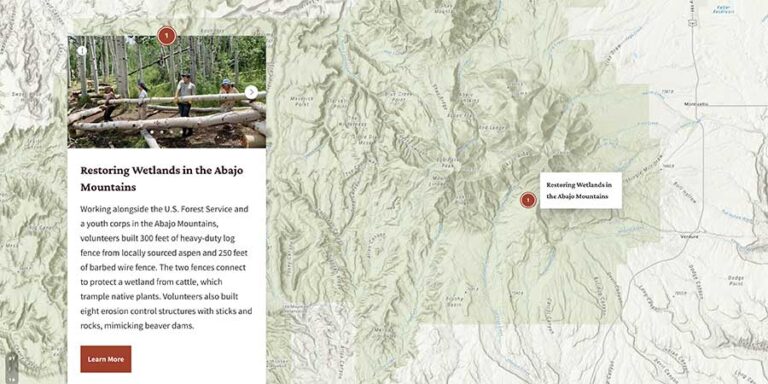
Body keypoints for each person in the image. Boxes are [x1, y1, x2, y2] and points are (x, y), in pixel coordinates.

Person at [174, 72, 196, 137]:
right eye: (183, 76)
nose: (183, 78)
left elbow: (194, 95)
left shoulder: (192, 86)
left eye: (185, 77)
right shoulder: (181, 82)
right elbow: (178, 89)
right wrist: (176, 96)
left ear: (188, 78)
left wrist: (190, 101)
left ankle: (184, 132)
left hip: (187, 103)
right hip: (180, 103)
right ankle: (190, 129)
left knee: (184, 116)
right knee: (183, 116)